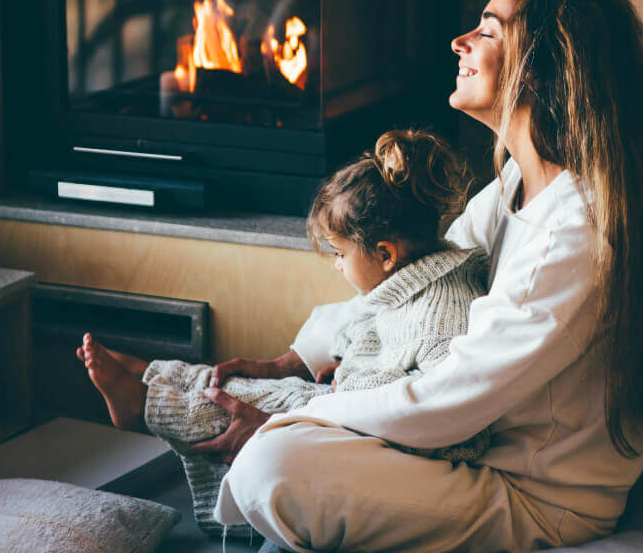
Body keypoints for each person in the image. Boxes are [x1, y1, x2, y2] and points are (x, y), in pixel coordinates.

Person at [200, 0, 643, 552]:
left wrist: (296, 417)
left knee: (271, 464)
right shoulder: (516, 183)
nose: (459, 42)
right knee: (283, 447)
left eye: (487, 31)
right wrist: (298, 361)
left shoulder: (574, 231)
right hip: (471, 454)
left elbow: (453, 400)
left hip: (537, 496)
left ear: (540, 69)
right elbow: (417, 279)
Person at [76, 129, 491, 536]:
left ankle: (147, 405)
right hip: (347, 402)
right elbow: (372, 337)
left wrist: (348, 388)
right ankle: (161, 374)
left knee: (260, 399)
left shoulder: (445, 313)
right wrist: (338, 364)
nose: (337, 266)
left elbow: (449, 419)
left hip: (363, 423)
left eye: (340, 255)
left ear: (385, 254)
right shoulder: (408, 280)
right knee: (249, 384)